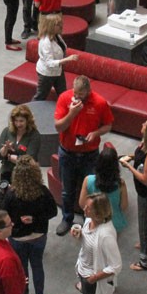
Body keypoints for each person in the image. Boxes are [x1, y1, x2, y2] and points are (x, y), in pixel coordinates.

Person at [54, 76, 114, 235]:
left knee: (91, 189)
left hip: (90, 155)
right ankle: (67, 218)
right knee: (67, 190)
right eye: (75, 92)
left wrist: (96, 133)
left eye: (81, 93)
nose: (77, 96)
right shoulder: (65, 98)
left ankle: (90, 219)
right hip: (67, 153)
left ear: (89, 91)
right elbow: (58, 127)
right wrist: (72, 113)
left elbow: (108, 125)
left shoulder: (100, 103)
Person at [1, 156, 56, 294]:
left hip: (18, 238)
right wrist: (35, 218)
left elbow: (4, 215)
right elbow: (52, 211)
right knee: (37, 265)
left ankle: (24, 292)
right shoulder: (43, 192)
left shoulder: (11, 195)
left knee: (22, 267)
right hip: (38, 236)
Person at [120, 117, 147, 271]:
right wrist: (131, 157)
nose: (142, 124)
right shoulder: (145, 145)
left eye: (145, 125)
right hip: (146, 190)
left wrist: (128, 166)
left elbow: (146, 180)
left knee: (145, 221)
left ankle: (146, 259)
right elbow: (140, 158)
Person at [78, 146, 128, 235]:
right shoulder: (121, 184)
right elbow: (123, 206)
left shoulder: (88, 180)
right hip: (114, 223)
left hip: (94, 221)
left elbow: (82, 204)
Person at [33, 13, 77, 101]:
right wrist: (67, 59)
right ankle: (30, 113)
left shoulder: (57, 36)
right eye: (58, 24)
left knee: (63, 93)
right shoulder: (46, 42)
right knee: (40, 97)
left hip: (58, 71)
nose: (61, 26)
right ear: (51, 26)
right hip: (47, 74)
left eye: (61, 23)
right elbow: (49, 63)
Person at [0, 105, 42, 186]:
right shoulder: (7, 131)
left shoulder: (34, 135)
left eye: (21, 121)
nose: (18, 124)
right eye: (16, 121)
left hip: (24, 176)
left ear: (28, 121)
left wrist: (11, 158)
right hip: (6, 172)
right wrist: (4, 150)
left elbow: (30, 160)